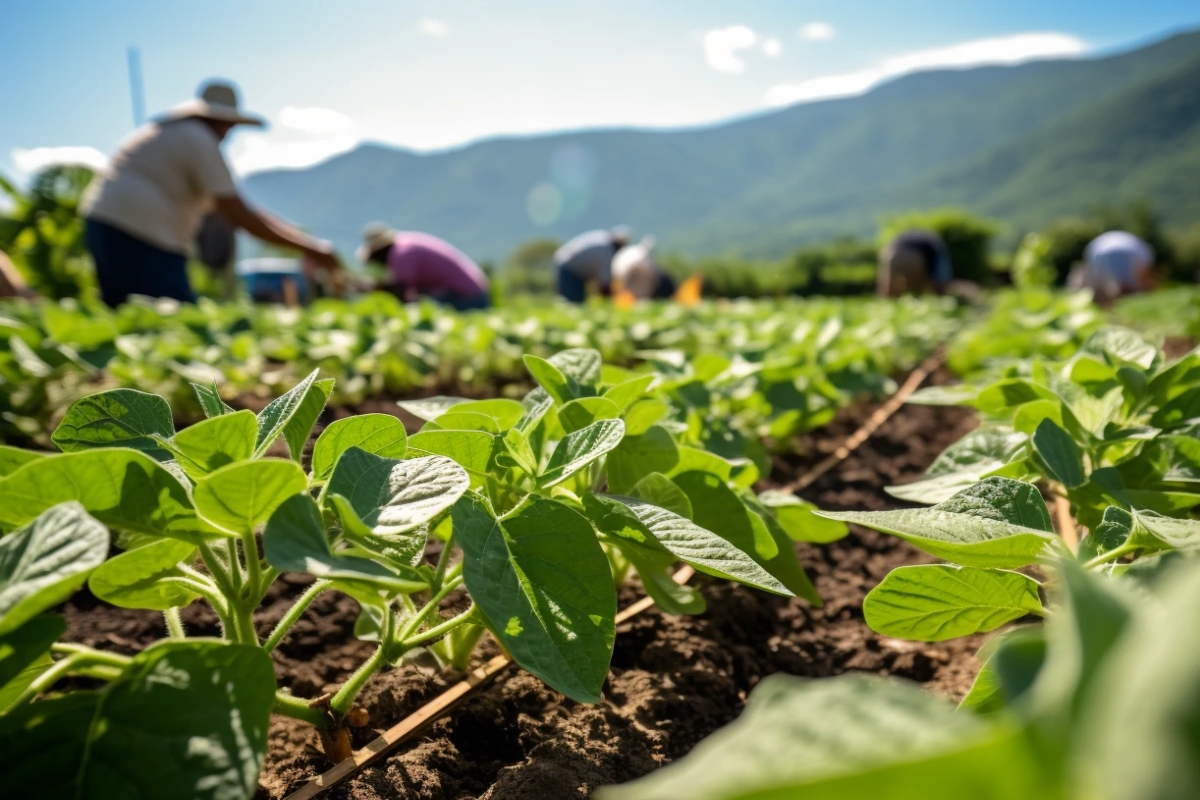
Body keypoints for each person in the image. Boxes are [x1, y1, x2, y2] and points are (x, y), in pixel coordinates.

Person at [81, 80, 340, 307]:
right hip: (143, 232)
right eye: (229, 127)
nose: (228, 134)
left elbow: (234, 210)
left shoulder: (168, 135)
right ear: (221, 121)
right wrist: (312, 249)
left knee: (127, 312)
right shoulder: (198, 138)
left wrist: (303, 241)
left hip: (105, 222)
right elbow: (241, 214)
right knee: (174, 320)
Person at [358, 223, 491, 310]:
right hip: (475, 292)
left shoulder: (402, 253)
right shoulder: (406, 244)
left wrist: (375, 290)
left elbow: (401, 291)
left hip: (467, 298)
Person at [1069, 230, 1156, 303]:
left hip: (1098, 251)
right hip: (1129, 251)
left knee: (1103, 292)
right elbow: (1146, 274)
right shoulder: (1142, 252)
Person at [554, 226, 632, 302]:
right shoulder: (607, 252)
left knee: (574, 301)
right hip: (570, 268)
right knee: (574, 302)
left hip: (567, 263)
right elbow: (604, 284)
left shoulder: (602, 237)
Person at [877, 230, 953, 297]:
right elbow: (941, 280)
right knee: (917, 291)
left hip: (890, 253)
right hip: (914, 256)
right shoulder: (938, 246)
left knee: (887, 291)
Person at [611, 236, 676, 301]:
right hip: (633, 271)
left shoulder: (631, 249)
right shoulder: (643, 253)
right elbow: (650, 270)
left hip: (620, 274)